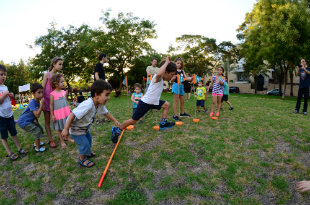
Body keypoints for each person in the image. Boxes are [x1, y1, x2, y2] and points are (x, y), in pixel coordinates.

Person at [111, 57, 177, 143]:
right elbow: (160, 73)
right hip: (145, 103)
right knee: (133, 121)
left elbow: (163, 75)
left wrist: (172, 77)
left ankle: (163, 122)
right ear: (165, 72)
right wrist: (166, 63)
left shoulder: (162, 79)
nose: (172, 76)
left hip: (153, 102)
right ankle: (117, 130)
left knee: (166, 105)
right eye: (171, 74)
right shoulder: (157, 78)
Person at [62, 80, 120, 168]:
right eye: (106, 95)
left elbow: (106, 113)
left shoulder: (99, 104)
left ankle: (87, 153)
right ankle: (82, 159)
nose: (108, 98)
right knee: (84, 144)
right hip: (76, 129)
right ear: (96, 95)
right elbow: (72, 115)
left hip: (84, 128)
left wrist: (115, 120)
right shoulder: (88, 104)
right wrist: (66, 129)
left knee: (89, 140)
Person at [0, 64, 27, 160]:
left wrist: (11, 95)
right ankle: (9, 152)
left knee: (14, 133)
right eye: (1, 74)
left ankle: (19, 148)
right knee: (4, 136)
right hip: (1, 117)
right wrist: (5, 93)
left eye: (4, 74)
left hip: (10, 115)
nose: (3, 76)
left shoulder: (5, 86)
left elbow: (7, 99)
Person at [42, 57, 64, 148]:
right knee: (47, 120)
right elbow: (42, 88)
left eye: (62, 64)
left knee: (58, 118)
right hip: (47, 100)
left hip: (55, 100)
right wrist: (41, 100)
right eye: (59, 64)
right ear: (53, 64)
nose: (61, 66)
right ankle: (51, 140)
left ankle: (62, 136)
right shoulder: (47, 75)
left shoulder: (59, 76)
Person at [18, 83, 46, 152]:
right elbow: (37, 114)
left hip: (29, 121)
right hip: (23, 122)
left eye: (42, 92)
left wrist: (37, 122)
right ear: (33, 93)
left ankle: (37, 143)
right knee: (37, 131)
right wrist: (42, 105)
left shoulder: (38, 102)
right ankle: (37, 148)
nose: (41, 94)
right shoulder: (32, 102)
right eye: (39, 92)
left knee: (39, 128)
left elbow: (36, 115)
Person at [50, 73, 74, 148]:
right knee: (59, 128)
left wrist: (69, 109)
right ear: (55, 83)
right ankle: (62, 141)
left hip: (66, 112)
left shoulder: (64, 92)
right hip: (58, 114)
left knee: (68, 125)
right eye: (61, 82)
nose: (63, 83)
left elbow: (65, 102)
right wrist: (52, 115)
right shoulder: (52, 94)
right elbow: (51, 105)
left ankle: (67, 137)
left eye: (63, 81)